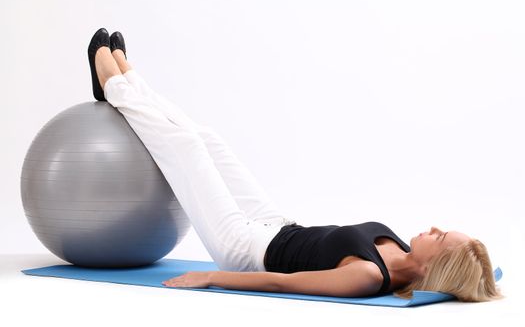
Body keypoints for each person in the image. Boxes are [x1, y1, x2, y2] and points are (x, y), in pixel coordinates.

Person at [87, 28, 502, 302]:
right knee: (210, 139)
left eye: (441, 235)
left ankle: (115, 84)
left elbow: (282, 283)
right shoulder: (401, 250)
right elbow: (484, 278)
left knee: (188, 146)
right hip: (278, 225)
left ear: (434, 265)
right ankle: (133, 86)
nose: (432, 227)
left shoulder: (370, 278)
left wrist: (210, 277)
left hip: (243, 248)